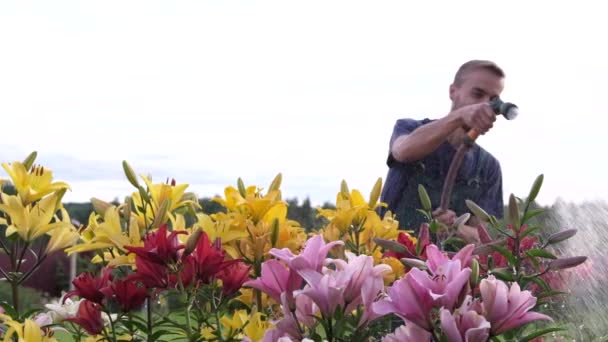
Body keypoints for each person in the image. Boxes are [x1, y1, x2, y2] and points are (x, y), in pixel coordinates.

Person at [380, 60, 506, 244]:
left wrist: (455, 226)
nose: (484, 105)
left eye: (493, 100)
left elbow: (481, 236)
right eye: (477, 94)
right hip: (390, 263)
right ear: (453, 91)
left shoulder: (489, 167)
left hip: (444, 269)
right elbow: (403, 151)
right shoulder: (409, 127)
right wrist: (459, 116)